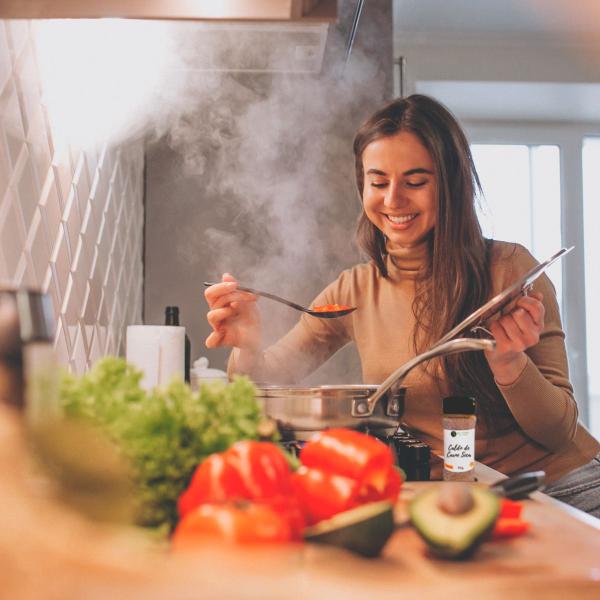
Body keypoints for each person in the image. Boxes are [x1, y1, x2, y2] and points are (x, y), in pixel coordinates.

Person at [204, 94, 600, 517]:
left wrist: (510, 364)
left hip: (560, 490)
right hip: (458, 497)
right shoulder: (354, 290)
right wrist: (246, 346)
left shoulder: (508, 269)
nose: (393, 200)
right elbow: (261, 384)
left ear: (450, 184)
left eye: (415, 182)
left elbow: (560, 433)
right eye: (378, 182)